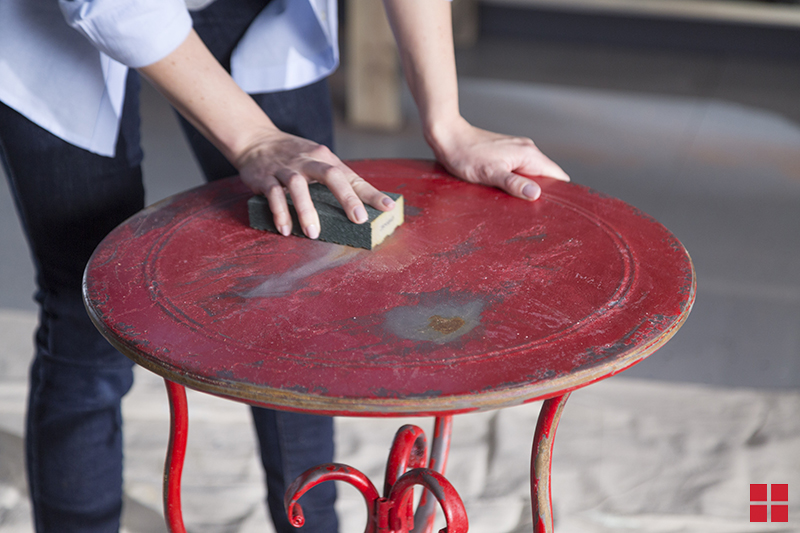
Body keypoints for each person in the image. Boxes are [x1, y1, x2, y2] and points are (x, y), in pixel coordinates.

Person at [0, 0, 569, 531]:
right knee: (86, 313)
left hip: (252, 10)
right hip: (49, 16)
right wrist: (252, 138)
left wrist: (448, 122)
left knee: (299, 304)